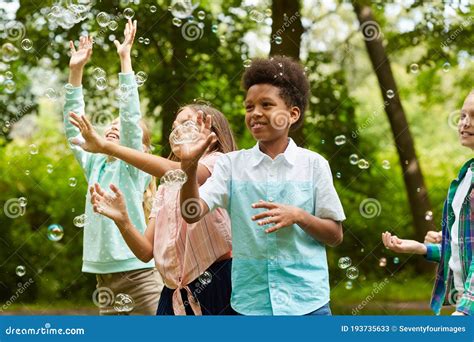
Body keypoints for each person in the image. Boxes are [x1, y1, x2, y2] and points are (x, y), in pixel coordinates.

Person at [177, 56, 345, 315]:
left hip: (308, 303)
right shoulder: (231, 165)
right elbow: (191, 213)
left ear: (292, 114)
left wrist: (299, 216)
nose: (255, 113)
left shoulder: (314, 165)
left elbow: (335, 235)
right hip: (251, 305)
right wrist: (189, 166)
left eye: (266, 104)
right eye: (249, 107)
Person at [71, 103, 237, 315]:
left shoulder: (219, 163)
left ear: (211, 130)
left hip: (216, 283)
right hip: (172, 294)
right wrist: (123, 221)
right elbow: (145, 251)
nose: (177, 129)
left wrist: (107, 146)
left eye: (186, 123)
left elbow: (184, 174)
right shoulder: (166, 187)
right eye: (174, 126)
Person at [64, 19, 162, 315]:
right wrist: (75, 70)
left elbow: (131, 117)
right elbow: (73, 129)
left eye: (122, 130)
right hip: (103, 280)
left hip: (140, 276)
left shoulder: (133, 169)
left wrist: (125, 59)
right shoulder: (94, 162)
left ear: (141, 150)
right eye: (111, 125)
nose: (113, 128)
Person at [382, 90, 474, 316]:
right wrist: (422, 248)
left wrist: (465, 311)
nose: (465, 123)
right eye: (462, 115)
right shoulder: (466, 175)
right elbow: (466, 247)